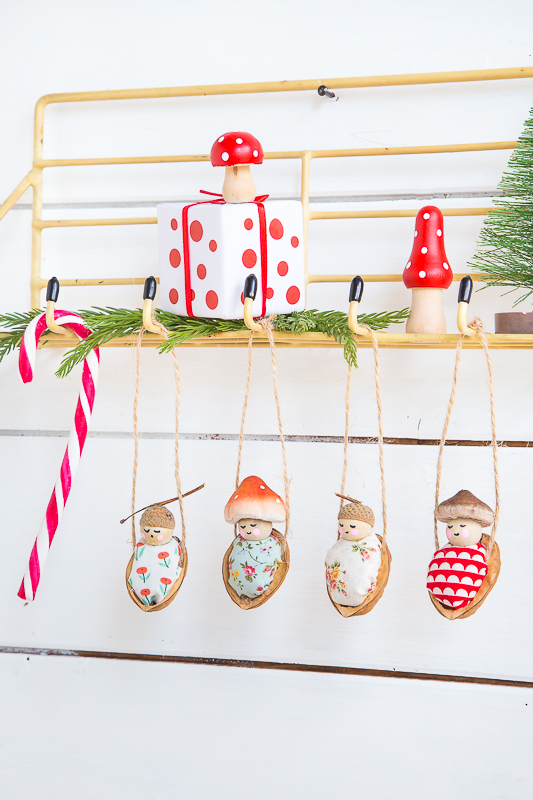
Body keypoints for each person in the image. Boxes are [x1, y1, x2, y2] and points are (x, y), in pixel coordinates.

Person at [325, 498, 382, 607]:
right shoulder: (340, 543)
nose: (345, 530)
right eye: (341, 526)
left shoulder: (371, 543)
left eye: (352, 527)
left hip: (361, 595)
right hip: (336, 596)